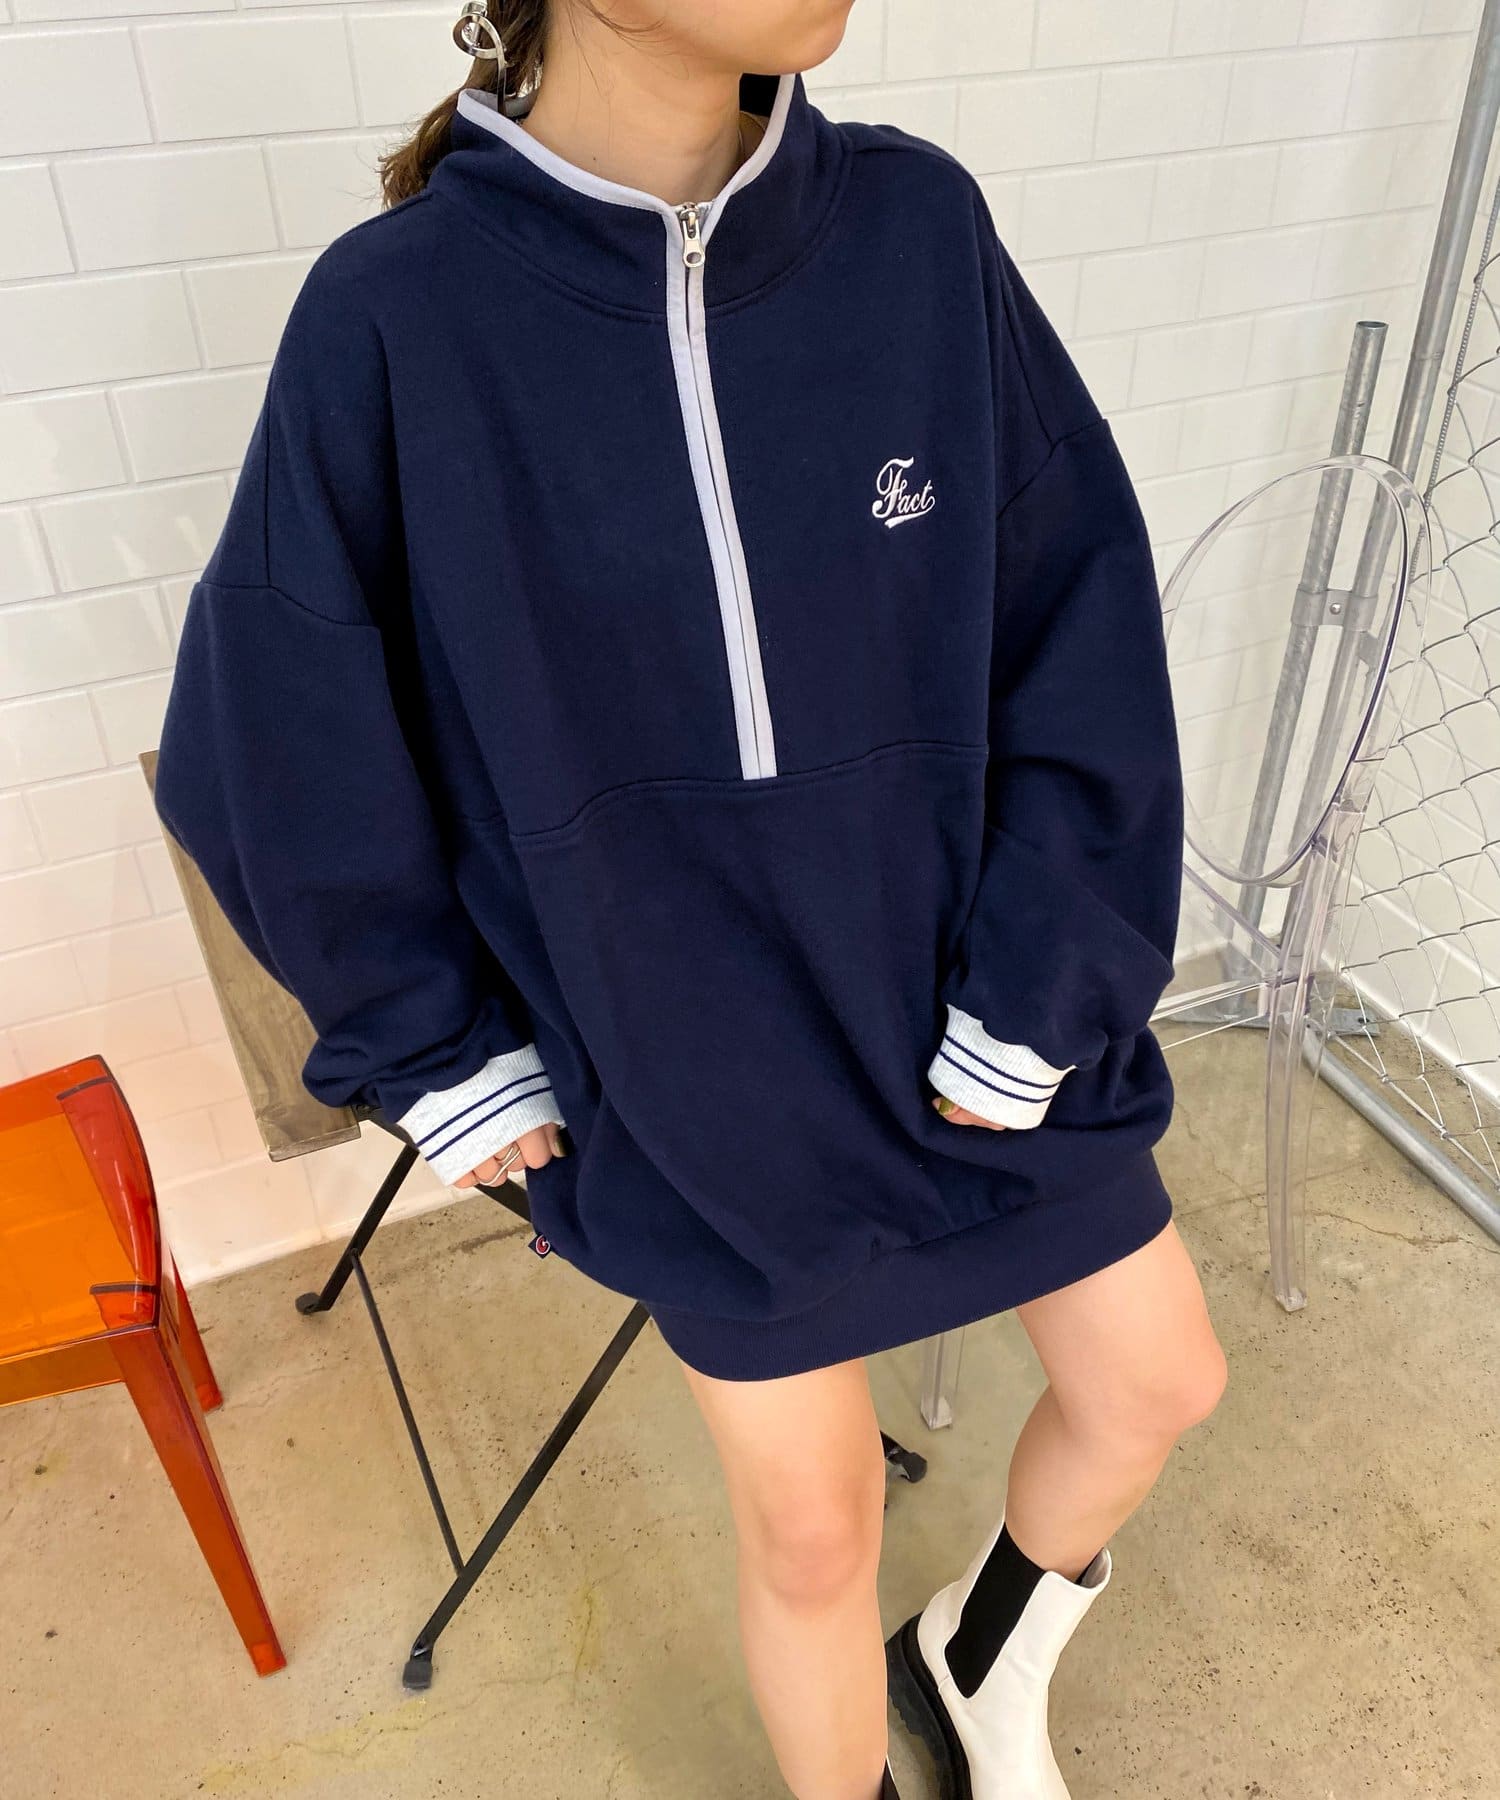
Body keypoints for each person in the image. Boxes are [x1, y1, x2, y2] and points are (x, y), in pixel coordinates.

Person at [153, 3, 1228, 1796]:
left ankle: (976, 1660)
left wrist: (1052, 975)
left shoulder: (919, 230)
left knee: (1160, 1383)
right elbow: (269, 728)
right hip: (684, 1081)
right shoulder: (395, 314)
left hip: (976, 1015)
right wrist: (433, 1047)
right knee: (811, 1522)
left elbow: (1079, 625)